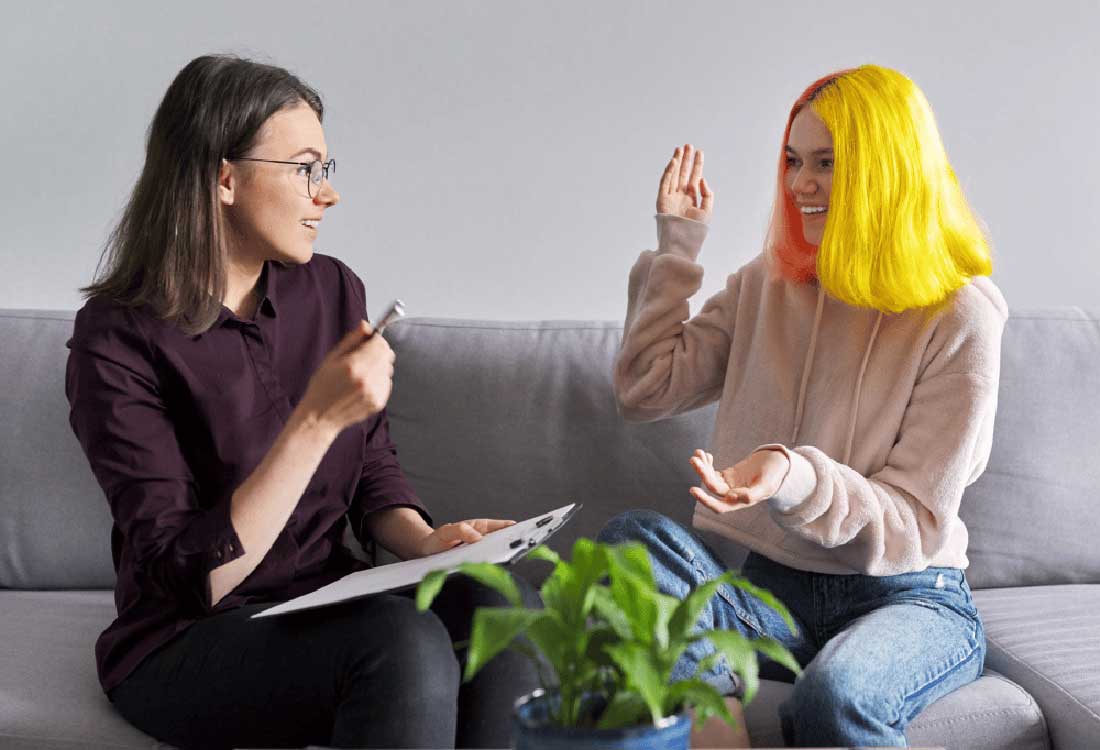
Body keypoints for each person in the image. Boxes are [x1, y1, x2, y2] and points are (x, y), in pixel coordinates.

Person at [65, 54, 538, 750]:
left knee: (503, 602)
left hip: (325, 598)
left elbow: (371, 461)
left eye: (326, 169)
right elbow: (191, 577)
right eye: (305, 168)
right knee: (399, 644)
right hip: (186, 636)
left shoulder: (332, 289)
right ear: (224, 177)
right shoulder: (117, 338)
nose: (327, 194)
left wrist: (425, 542)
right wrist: (314, 421)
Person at [598, 64, 1005, 747]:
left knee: (836, 696)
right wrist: (677, 247)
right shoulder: (767, 286)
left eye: (825, 163)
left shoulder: (963, 314)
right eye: (792, 161)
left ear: (885, 170)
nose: (798, 184)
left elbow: (912, 522)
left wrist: (794, 476)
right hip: (772, 594)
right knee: (633, 546)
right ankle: (712, 722)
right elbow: (647, 388)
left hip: (910, 597)